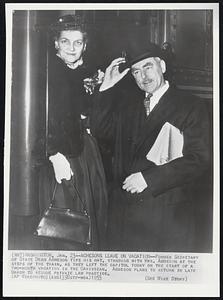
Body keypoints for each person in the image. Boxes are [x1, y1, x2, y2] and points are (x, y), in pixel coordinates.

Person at [91, 42, 212, 252]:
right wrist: (106, 87)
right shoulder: (127, 106)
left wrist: (148, 178)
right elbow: (100, 132)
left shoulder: (191, 105)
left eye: (148, 67)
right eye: (136, 72)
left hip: (166, 213)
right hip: (125, 217)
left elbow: (198, 159)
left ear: (162, 66)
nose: (143, 77)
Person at [39, 15, 108, 251]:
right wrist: (54, 154)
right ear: (56, 43)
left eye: (77, 42)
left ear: (85, 45)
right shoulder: (47, 72)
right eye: (65, 41)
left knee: (88, 213)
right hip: (60, 153)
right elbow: (41, 118)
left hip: (84, 151)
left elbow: (83, 111)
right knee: (66, 218)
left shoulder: (81, 71)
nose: (71, 47)